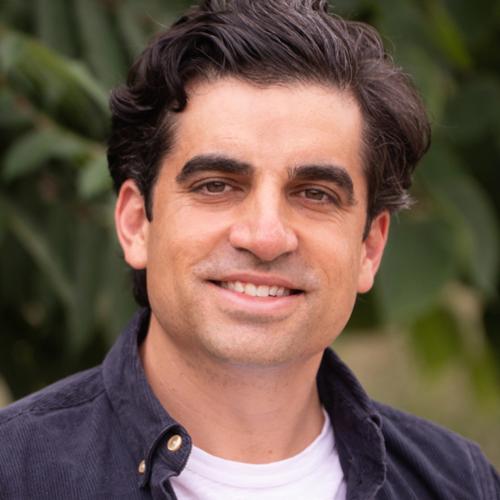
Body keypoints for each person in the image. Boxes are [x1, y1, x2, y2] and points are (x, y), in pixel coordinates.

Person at [0, 0, 498, 498]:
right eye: (216, 185)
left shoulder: (459, 484)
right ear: (136, 224)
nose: (265, 237)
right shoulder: (14, 474)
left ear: (369, 247)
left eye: (315, 194)